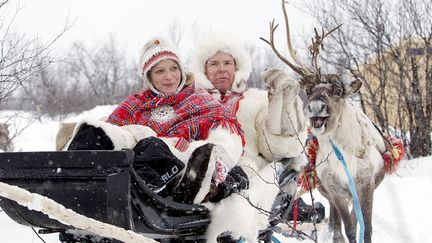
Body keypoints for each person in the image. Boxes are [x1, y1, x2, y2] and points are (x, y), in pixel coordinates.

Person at [65, 37, 244, 203]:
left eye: (173, 69)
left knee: (156, 147)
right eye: (160, 71)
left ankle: (174, 185)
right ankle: (72, 176)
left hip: (179, 162)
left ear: (181, 70)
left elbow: (227, 138)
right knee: (97, 133)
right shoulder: (135, 104)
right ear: (148, 77)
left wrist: (218, 157)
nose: (169, 76)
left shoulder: (201, 101)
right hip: (132, 160)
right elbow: (116, 129)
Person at [190, 33, 323, 243]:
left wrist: (282, 103)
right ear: (203, 69)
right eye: (213, 63)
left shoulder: (256, 101)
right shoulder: (191, 103)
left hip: (246, 176)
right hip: (200, 173)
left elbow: (279, 147)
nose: (221, 68)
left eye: (227, 62)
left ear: (237, 67)